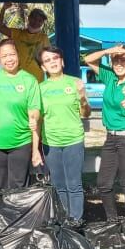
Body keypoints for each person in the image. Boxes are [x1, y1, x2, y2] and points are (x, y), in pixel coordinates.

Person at [83, 44, 125, 225]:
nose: (119, 64)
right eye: (116, 60)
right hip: (110, 137)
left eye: (123, 60)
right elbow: (88, 59)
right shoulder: (110, 77)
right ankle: (112, 220)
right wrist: (108, 51)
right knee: (104, 183)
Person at [37, 46, 91, 221]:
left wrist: (83, 96)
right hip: (50, 142)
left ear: (62, 61)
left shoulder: (75, 83)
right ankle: (63, 221)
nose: (52, 62)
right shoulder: (40, 88)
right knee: (58, 185)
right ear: (43, 67)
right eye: (47, 60)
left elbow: (86, 113)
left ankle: (75, 222)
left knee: (74, 184)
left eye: (55, 58)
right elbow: (36, 118)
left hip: (73, 140)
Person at [0, 39, 43, 189]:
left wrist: (34, 118)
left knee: (18, 187)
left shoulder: (29, 80)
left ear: (18, 55)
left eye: (12, 54)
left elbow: (35, 111)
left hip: (21, 142)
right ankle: (2, 214)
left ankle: (18, 214)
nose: (9, 59)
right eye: (4, 56)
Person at [0, 2, 49, 81]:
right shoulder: (17, 34)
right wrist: (3, 9)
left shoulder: (43, 38)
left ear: (42, 23)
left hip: (37, 81)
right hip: (19, 79)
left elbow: (47, 59)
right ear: (29, 18)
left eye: (40, 20)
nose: (36, 22)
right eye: (34, 18)